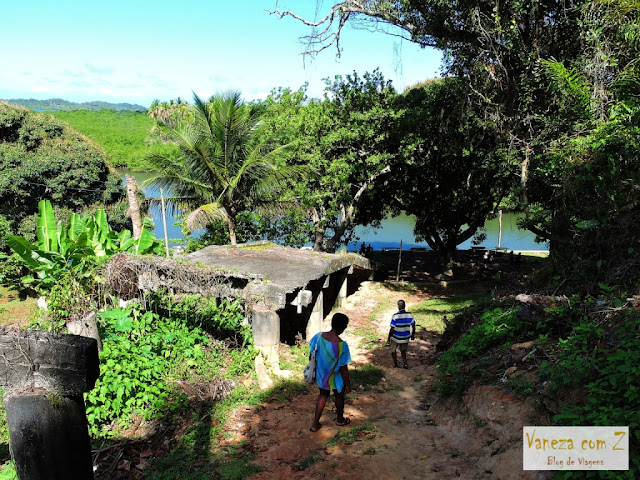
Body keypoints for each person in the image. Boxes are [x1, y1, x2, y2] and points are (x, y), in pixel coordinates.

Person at [309, 313, 352, 432]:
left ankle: (315, 424)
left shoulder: (318, 337)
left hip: (322, 375)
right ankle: (340, 419)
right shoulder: (342, 345)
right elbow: (343, 368)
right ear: (342, 328)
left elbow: (312, 354)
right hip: (335, 377)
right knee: (339, 396)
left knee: (322, 395)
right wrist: (347, 384)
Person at [387, 299, 415, 369]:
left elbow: (392, 329)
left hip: (396, 337)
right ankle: (405, 364)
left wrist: (388, 338)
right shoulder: (410, 315)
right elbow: (414, 326)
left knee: (393, 350)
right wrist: (412, 335)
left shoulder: (395, 316)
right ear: (404, 306)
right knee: (403, 351)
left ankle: (396, 364)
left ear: (398, 306)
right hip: (405, 337)